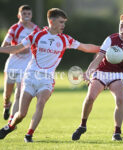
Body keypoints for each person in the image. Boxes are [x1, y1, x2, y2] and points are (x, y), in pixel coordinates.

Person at [0, 8, 100, 142]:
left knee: (41, 103)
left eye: (64, 22)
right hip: (30, 77)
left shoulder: (65, 39)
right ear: (51, 21)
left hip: (46, 79)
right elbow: (16, 48)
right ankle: (10, 126)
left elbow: (85, 47)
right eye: (61, 22)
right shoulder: (36, 36)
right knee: (21, 114)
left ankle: (29, 135)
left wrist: (104, 48)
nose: (63, 25)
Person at [72, 14, 123, 141]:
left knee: (120, 99)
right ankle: (82, 125)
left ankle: (117, 132)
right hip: (101, 72)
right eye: (121, 26)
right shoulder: (111, 39)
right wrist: (88, 72)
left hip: (117, 75)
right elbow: (98, 58)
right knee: (90, 97)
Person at [2, 5, 40, 123]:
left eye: (29, 14)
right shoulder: (14, 28)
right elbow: (4, 46)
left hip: (26, 66)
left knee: (19, 93)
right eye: (24, 14)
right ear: (19, 15)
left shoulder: (36, 29)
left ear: (31, 15)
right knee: (7, 93)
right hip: (13, 64)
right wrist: (18, 49)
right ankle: (7, 104)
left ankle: (11, 122)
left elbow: (40, 46)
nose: (27, 16)